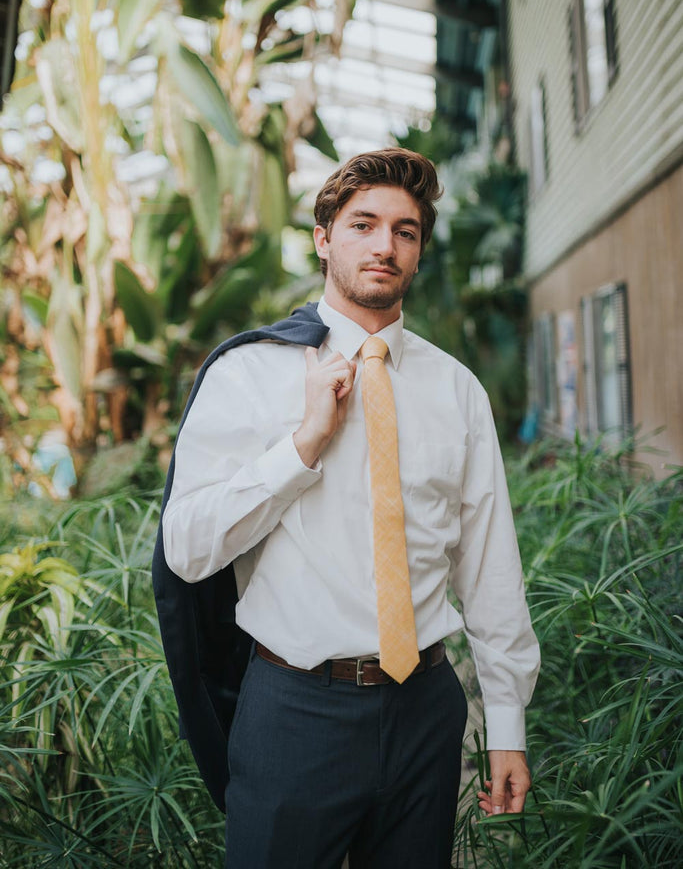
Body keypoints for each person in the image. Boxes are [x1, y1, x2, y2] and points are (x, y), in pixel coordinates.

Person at [158, 148, 540, 868]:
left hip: (426, 710)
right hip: (295, 712)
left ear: (419, 251)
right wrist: (301, 447)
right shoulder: (248, 373)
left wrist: (506, 725)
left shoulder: (455, 390)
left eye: (404, 230)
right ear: (323, 238)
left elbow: (489, 564)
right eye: (362, 223)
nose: (384, 245)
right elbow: (187, 547)